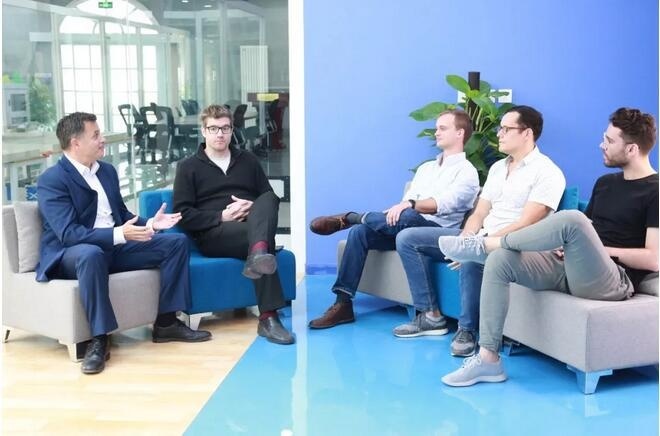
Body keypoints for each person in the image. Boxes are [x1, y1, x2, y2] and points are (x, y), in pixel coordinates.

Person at [440, 107, 659, 386]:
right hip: (573, 267)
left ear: (631, 149)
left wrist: (599, 250)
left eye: (609, 141)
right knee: (500, 260)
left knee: (572, 219)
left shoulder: (655, 190)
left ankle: (485, 243)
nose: (601, 145)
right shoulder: (605, 183)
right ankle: (488, 359)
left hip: (613, 280)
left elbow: (653, 259)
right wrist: (571, 248)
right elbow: (588, 232)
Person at [36, 112, 211, 375]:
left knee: (175, 243)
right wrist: (120, 234)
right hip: (71, 253)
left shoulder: (106, 171)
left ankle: (166, 323)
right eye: (96, 135)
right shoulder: (53, 179)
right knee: (91, 254)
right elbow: (69, 234)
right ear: (75, 143)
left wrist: (151, 224)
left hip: (112, 247)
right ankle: (98, 339)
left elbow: (121, 214)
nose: (103, 140)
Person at [398, 105, 566, 354]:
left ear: (527, 133)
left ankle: (467, 330)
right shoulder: (498, 168)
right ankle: (430, 315)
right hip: (480, 237)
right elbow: (479, 213)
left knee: (472, 259)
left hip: (513, 244)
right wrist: (467, 239)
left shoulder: (548, 172)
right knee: (408, 238)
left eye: (506, 129)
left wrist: (476, 246)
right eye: (500, 128)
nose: (499, 134)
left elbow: (527, 223)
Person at [307, 109, 480, 330]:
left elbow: (444, 204)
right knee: (360, 233)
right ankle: (343, 304)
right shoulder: (426, 168)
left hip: (437, 234)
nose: (436, 132)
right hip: (407, 228)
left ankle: (352, 217)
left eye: (442, 128)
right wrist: (406, 206)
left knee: (408, 214)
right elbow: (405, 204)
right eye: (436, 128)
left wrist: (411, 205)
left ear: (460, 133)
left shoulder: (467, 172)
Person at [173, 104, 294, 345]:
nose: (220, 134)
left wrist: (251, 206)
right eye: (214, 128)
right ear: (204, 131)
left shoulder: (247, 160)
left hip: (250, 226)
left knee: (269, 199)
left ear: (232, 130)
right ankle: (268, 317)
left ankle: (259, 254)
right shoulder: (188, 167)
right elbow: (183, 214)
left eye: (225, 128)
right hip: (214, 234)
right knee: (262, 242)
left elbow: (267, 198)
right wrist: (221, 216)